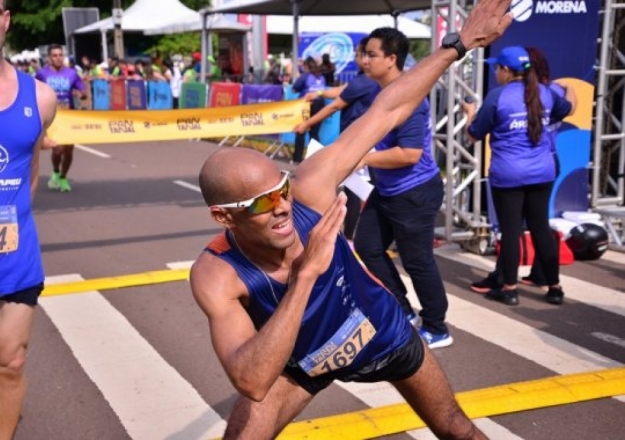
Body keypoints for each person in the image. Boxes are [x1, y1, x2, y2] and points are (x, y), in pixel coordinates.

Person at [189, 0, 513, 438]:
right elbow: (250, 379)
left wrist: (457, 45)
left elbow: (388, 111)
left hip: (383, 333)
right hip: (304, 358)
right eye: (263, 203)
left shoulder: (310, 189)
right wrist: (305, 276)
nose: (283, 206)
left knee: (456, 428)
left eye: (280, 189)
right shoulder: (216, 274)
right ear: (224, 217)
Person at [0, 1, 57, 439]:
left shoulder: (40, 96)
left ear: (7, 19)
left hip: (13, 260)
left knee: (11, 364)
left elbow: (30, 174)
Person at [350, 27, 451, 349]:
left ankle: (436, 327)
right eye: (365, 54)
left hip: (415, 192)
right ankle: (402, 310)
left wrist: (364, 158)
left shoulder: (409, 98)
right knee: (367, 246)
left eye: (372, 54)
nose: (365, 60)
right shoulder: (381, 92)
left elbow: (409, 154)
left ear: (392, 59)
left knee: (417, 260)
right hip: (389, 190)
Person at [462, 46, 573, 306]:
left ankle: (510, 289)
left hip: (508, 175)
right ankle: (554, 287)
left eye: (496, 68)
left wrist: (469, 115)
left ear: (506, 70)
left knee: (511, 231)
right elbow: (565, 109)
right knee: (540, 229)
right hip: (542, 172)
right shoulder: (544, 92)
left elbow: (474, 134)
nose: (495, 72)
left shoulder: (498, 96)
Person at [293, 37, 380, 240]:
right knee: (363, 189)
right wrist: (319, 93)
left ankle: (350, 238)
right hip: (363, 142)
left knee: (356, 192)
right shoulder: (363, 80)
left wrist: (306, 124)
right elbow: (341, 91)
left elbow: (335, 104)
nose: (361, 58)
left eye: (362, 54)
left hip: (360, 143)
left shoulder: (364, 81)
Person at [35, 43, 86, 192]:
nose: (58, 58)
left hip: (69, 116)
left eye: (60, 55)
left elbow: (82, 90)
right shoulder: (42, 74)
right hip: (52, 117)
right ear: (49, 58)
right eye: (55, 55)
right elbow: (33, 90)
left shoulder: (72, 73)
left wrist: (80, 94)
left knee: (69, 150)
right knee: (57, 149)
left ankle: (63, 177)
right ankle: (56, 171)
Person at [291, 57, 326, 164]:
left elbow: (294, 89)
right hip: (320, 104)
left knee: (301, 131)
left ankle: (297, 159)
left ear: (306, 66)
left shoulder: (305, 76)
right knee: (314, 133)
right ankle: (317, 160)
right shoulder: (321, 76)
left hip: (306, 105)